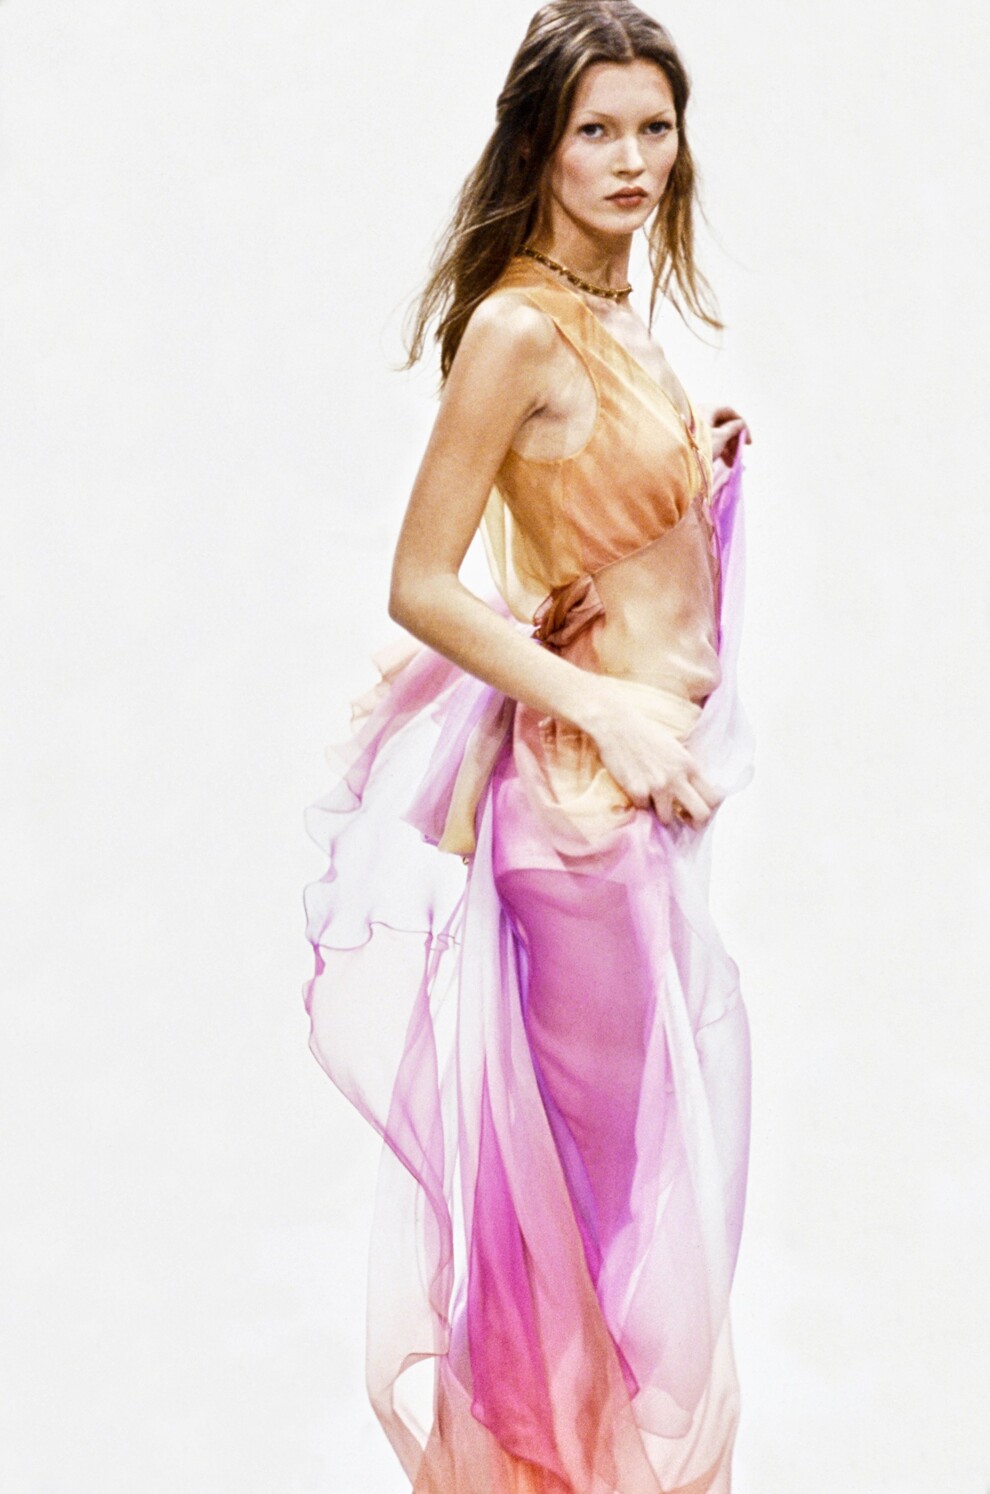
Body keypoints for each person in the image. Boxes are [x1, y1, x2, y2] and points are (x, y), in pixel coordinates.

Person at [303, 3, 754, 1490]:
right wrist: (608, 707)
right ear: (538, 148)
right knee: (576, 1230)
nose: (632, 160)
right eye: (595, 130)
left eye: (653, 127)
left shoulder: (615, 319)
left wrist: (684, 467)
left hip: (630, 810)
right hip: (575, 822)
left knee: (610, 1213)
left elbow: (583, 515)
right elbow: (421, 584)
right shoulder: (517, 325)